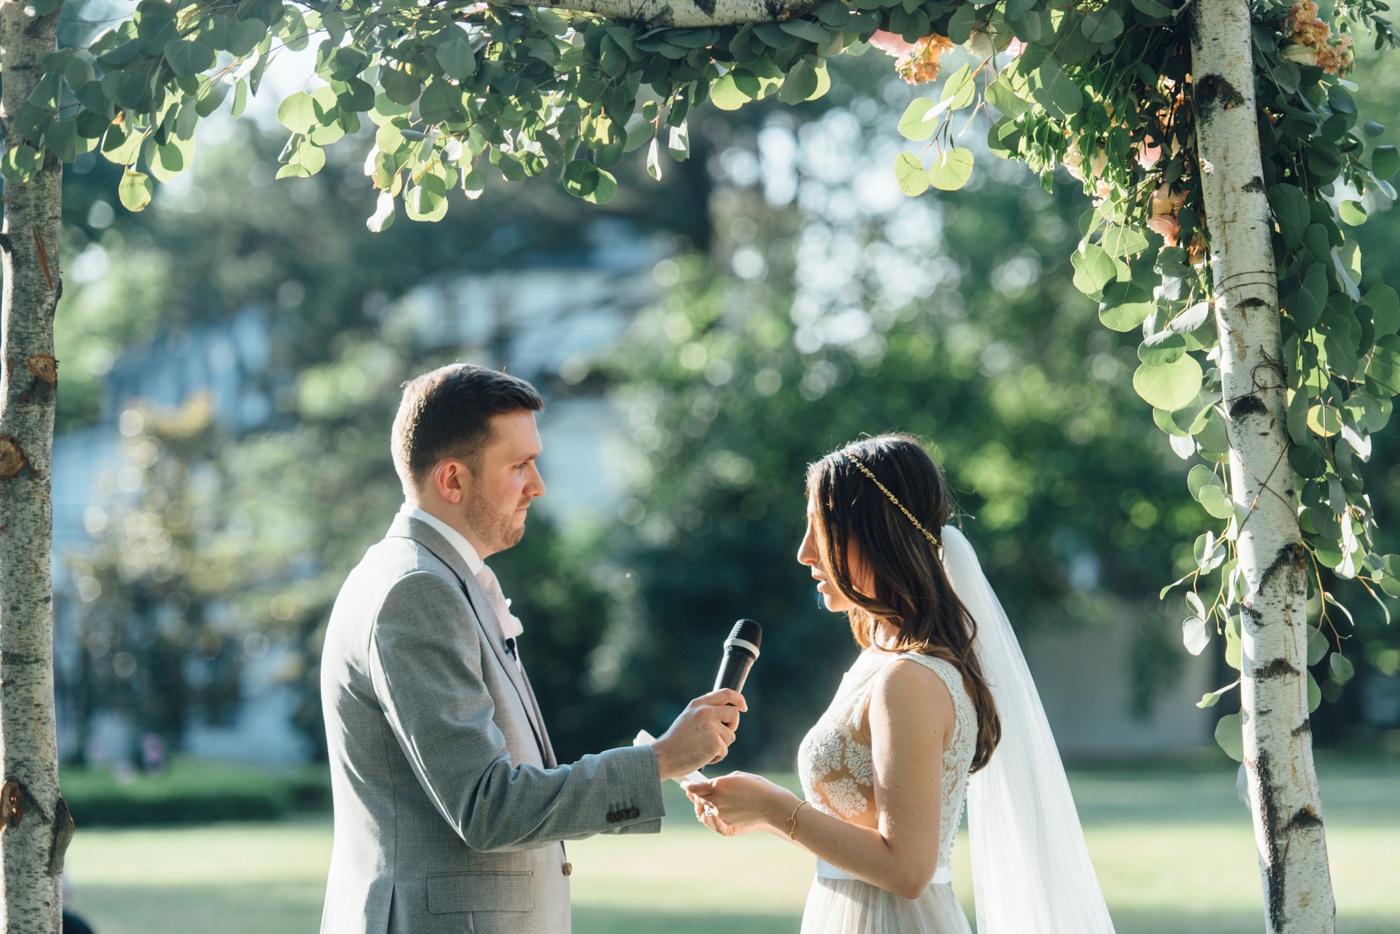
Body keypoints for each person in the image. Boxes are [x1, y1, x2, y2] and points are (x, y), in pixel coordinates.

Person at [319, 363, 744, 934]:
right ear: (452, 481)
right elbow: (486, 806)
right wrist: (661, 760)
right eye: (519, 465)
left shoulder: (431, 577)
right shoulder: (417, 591)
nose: (537, 485)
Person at [685, 434, 1117, 934]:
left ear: (877, 535)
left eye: (821, 531)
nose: (805, 553)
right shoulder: (879, 661)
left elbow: (908, 870)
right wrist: (759, 814)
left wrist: (774, 805)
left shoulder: (907, 679)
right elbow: (862, 837)